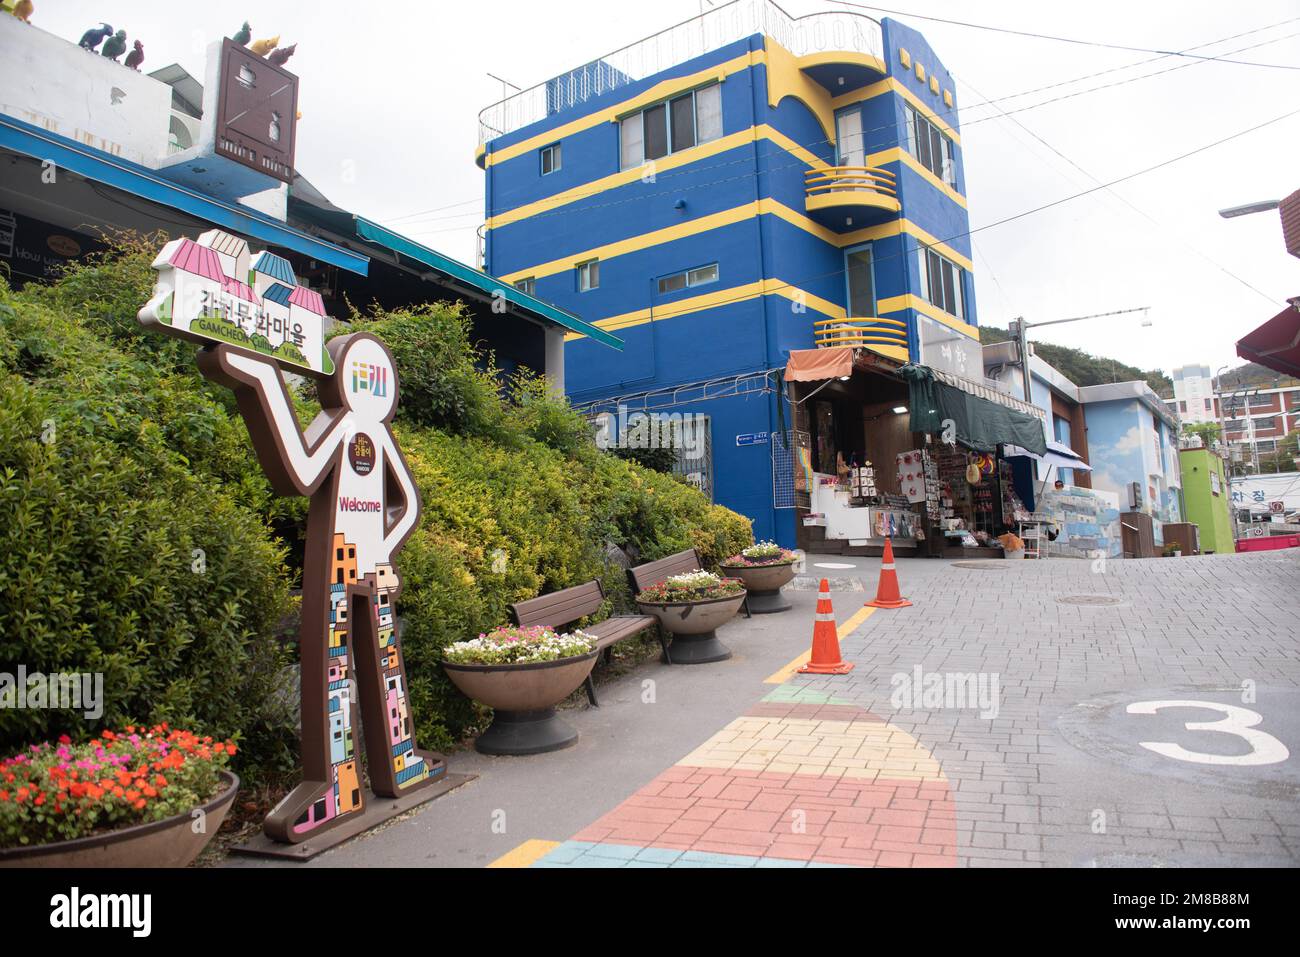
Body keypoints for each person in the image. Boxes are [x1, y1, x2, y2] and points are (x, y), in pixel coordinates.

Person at [199, 333, 445, 843]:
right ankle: (335, 783)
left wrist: (385, 550)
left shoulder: (377, 437)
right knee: (332, 672)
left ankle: (400, 761)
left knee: (385, 665)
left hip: (373, 566)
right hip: (337, 558)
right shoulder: (341, 429)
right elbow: (301, 470)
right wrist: (261, 379)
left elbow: (409, 505)